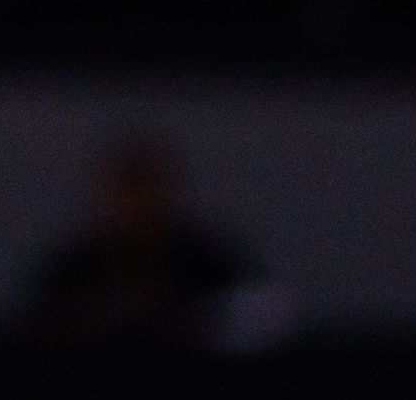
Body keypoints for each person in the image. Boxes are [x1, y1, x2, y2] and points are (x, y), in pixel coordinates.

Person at [18, 135, 260, 347]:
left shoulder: (210, 265)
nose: (138, 209)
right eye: (126, 194)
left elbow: (250, 323)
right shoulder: (71, 271)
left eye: (148, 194)